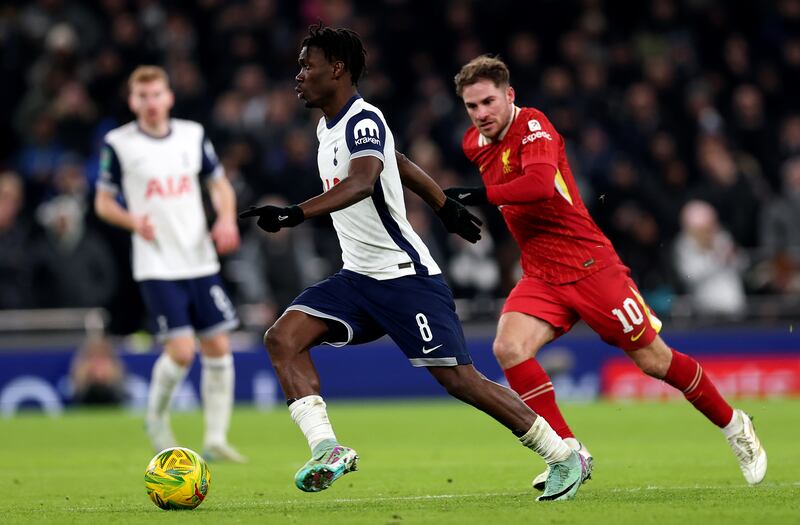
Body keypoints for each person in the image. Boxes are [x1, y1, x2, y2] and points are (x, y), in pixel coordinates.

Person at [240, 24, 589, 501]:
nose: (299, 74)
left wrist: (295, 213)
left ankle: (562, 453)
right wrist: (444, 206)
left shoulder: (362, 119)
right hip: (358, 277)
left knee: (460, 380)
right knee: (282, 337)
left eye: (308, 65)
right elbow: (397, 160)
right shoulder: (329, 125)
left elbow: (364, 181)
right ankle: (327, 449)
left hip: (406, 280)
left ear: (336, 69)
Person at [441, 55, 766, 488]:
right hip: (541, 273)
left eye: (488, 102)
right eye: (471, 106)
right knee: (509, 348)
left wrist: (475, 196)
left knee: (655, 361)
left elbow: (538, 187)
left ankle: (735, 426)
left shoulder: (534, 126)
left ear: (509, 95)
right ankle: (570, 452)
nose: (481, 114)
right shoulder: (474, 144)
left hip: (590, 266)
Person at [94, 66, 245, 462]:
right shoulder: (118, 143)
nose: (151, 102)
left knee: (218, 345)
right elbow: (103, 202)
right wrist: (132, 221)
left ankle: (215, 437)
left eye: (157, 94)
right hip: (157, 262)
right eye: (142, 96)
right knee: (181, 351)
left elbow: (219, 184)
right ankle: (156, 419)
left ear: (169, 97)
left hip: (199, 258)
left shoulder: (193, 135)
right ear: (132, 101)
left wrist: (226, 218)